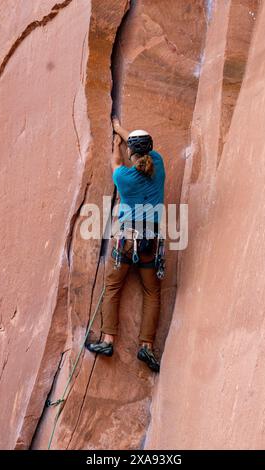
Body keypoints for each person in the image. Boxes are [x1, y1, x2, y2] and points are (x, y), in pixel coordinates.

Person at [85, 117, 165, 372]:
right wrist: (125, 132)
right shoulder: (160, 165)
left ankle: (108, 340)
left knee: (113, 287)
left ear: (131, 150)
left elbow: (115, 161)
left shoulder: (123, 177)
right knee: (151, 293)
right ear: (150, 149)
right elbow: (143, 151)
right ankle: (147, 347)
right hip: (150, 242)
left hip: (127, 240)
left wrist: (116, 139)